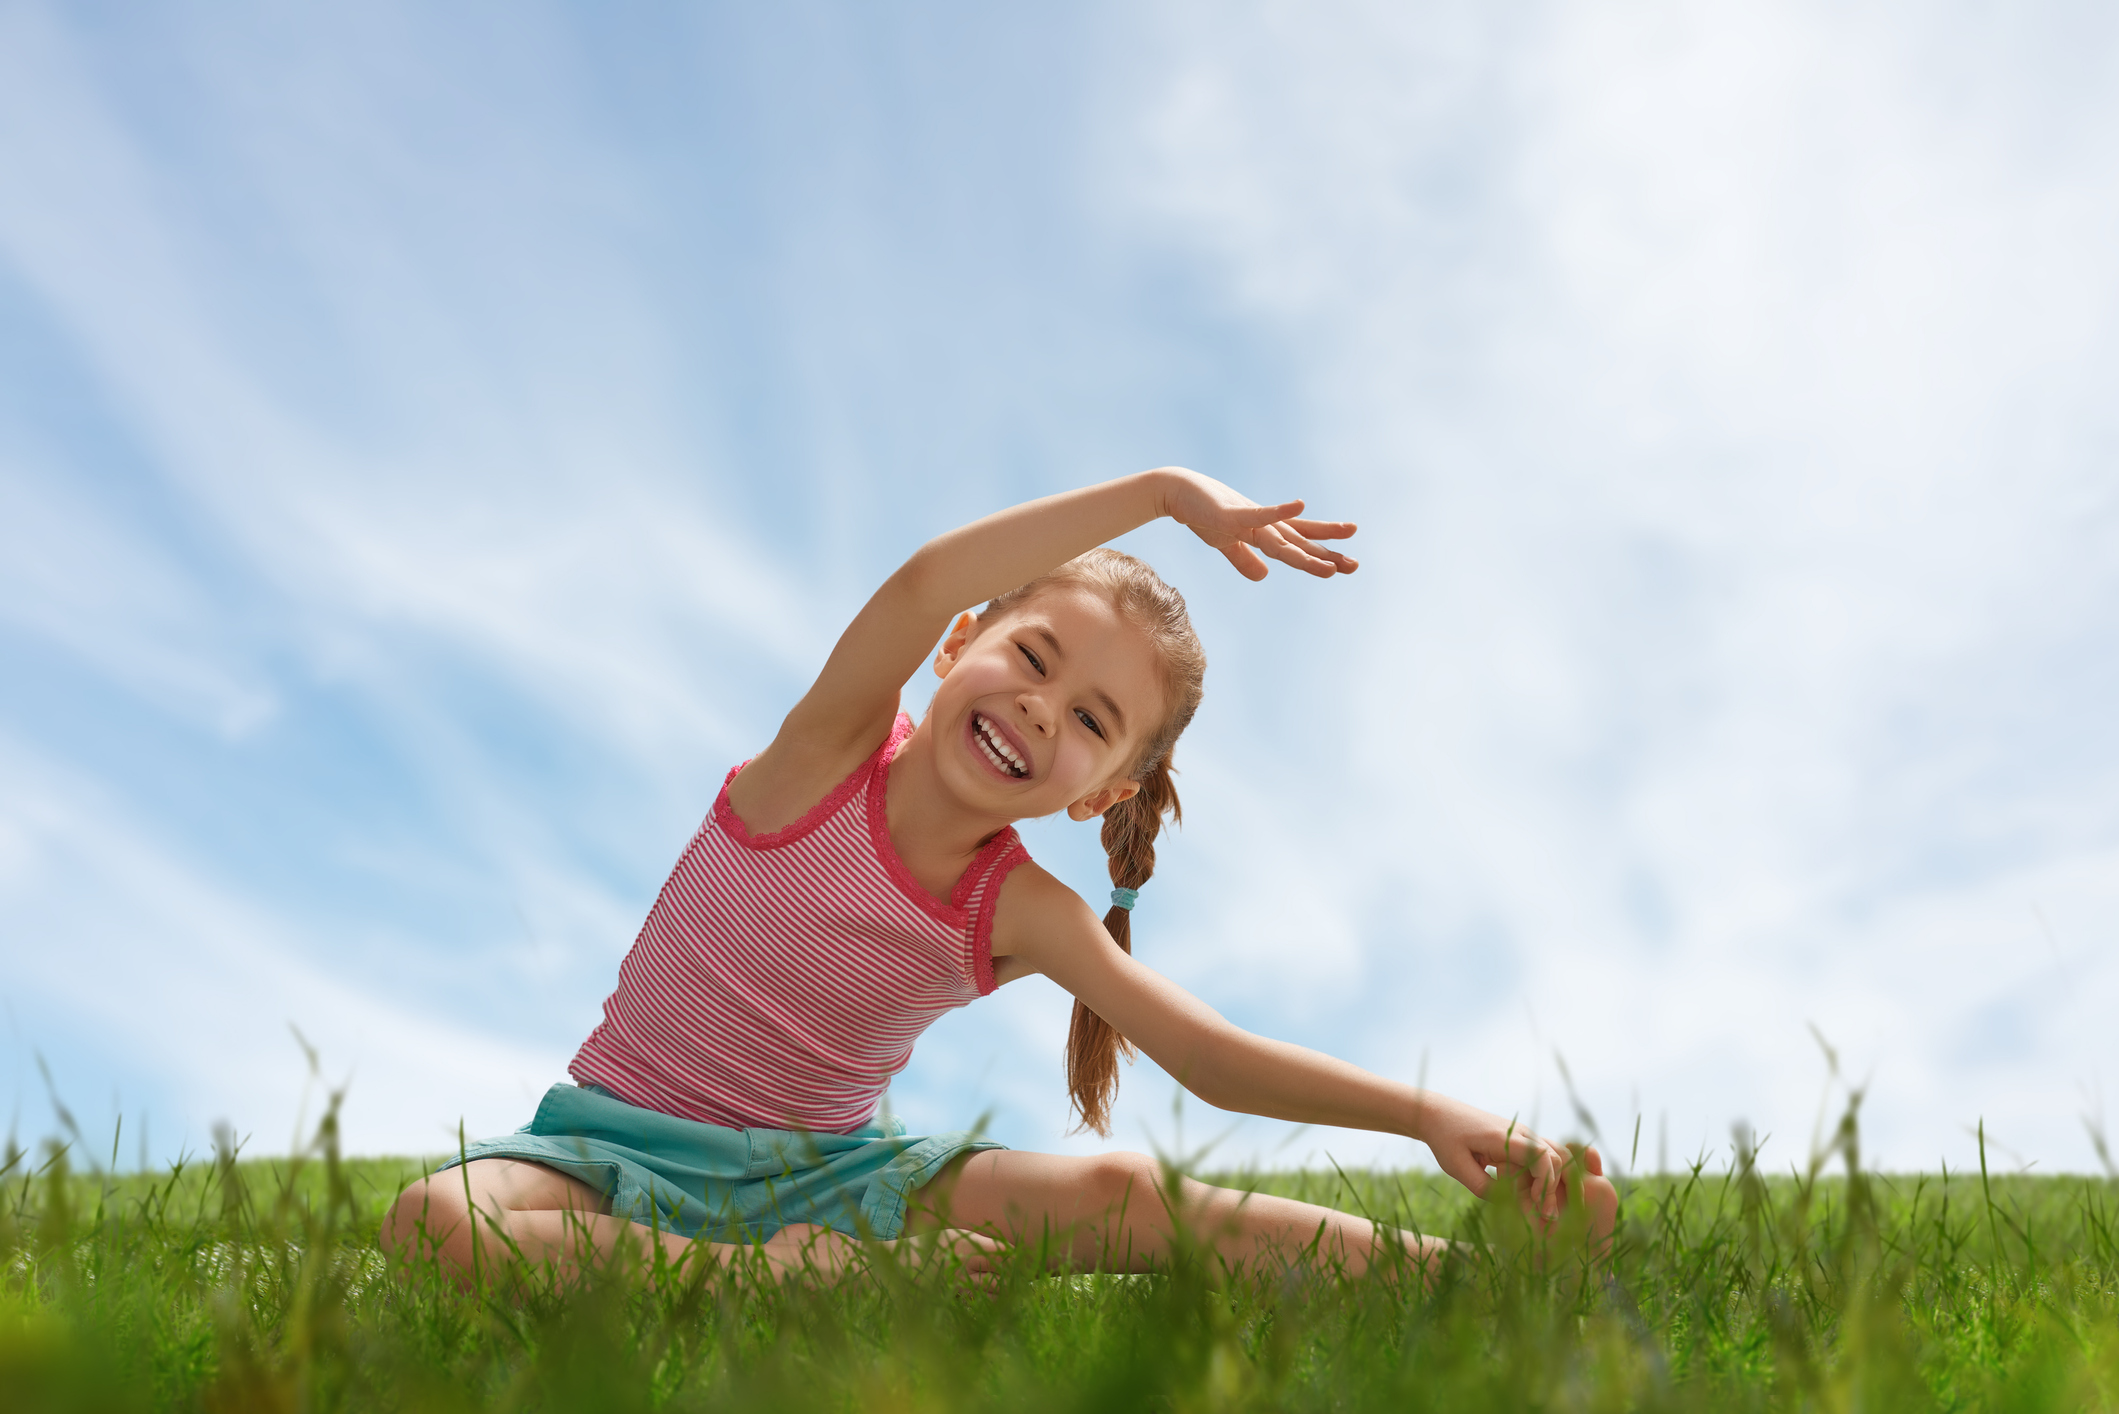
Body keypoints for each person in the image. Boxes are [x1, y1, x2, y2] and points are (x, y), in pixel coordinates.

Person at [381, 468, 1617, 1287]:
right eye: (1030, 654)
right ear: (959, 645)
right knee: (434, 1223)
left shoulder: (1020, 908)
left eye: (1090, 720)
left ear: (1099, 794)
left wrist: (1424, 1115)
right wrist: (1165, 494)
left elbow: (1211, 1057)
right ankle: (775, 1277)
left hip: (834, 1178)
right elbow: (921, 578)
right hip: (610, 1154)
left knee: (1121, 1191)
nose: (1039, 706)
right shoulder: (828, 753)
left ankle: (1458, 1274)